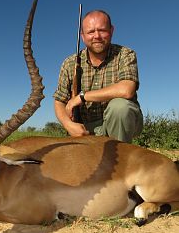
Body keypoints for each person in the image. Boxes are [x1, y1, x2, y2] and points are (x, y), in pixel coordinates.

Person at [53, 10, 143, 143]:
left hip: (122, 122)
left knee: (119, 107)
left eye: (102, 30)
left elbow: (127, 90)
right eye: (90, 32)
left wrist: (81, 97)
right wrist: (68, 125)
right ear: (82, 36)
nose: (97, 36)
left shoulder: (125, 54)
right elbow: (59, 101)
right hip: (86, 128)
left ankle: (120, 158)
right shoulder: (70, 63)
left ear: (111, 31)